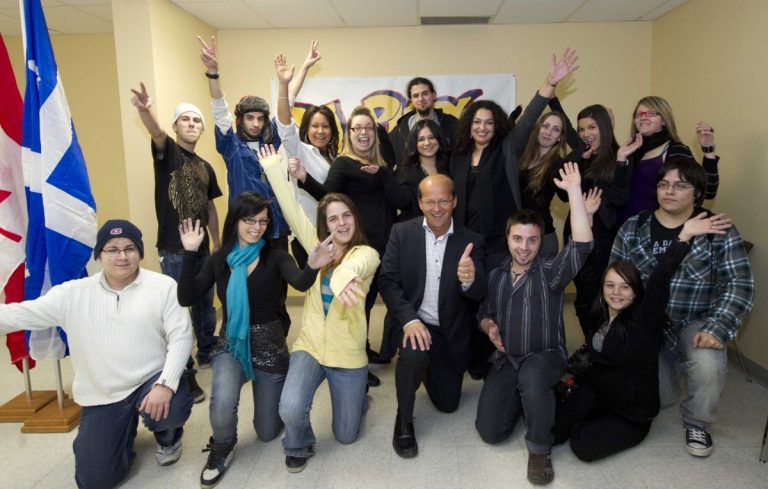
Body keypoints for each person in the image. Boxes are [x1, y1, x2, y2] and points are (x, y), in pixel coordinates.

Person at [0, 220, 193, 489]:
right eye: (112, 249)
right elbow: (22, 313)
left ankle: (168, 436)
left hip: (150, 381)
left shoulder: (163, 286)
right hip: (103, 393)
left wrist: (166, 384)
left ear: (140, 252)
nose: (122, 256)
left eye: (130, 248)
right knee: (94, 480)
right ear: (99, 255)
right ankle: (119, 436)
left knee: (172, 404)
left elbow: (181, 337)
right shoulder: (72, 294)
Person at [177, 193, 333, 487]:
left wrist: (313, 265)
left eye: (262, 221)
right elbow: (186, 296)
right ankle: (222, 446)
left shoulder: (276, 256)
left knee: (267, 432)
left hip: (270, 346)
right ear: (235, 221)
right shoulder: (220, 259)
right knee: (222, 402)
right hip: (232, 344)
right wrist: (189, 253)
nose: (256, 227)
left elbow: (300, 282)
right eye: (249, 220)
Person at [553, 212, 731, 461]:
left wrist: (684, 236)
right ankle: (581, 410)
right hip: (597, 391)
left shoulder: (645, 321)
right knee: (552, 430)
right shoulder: (599, 312)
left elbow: (660, 278)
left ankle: (592, 422)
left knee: (582, 446)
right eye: (610, 285)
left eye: (625, 287)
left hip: (630, 413)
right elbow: (588, 265)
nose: (616, 293)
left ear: (636, 293)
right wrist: (587, 218)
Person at [610, 156, 753, 458]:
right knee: (659, 400)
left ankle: (698, 423)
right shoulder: (634, 227)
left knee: (707, 361)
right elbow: (616, 278)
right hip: (650, 322)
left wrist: (718, 328)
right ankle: (669, 372)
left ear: (697, 193)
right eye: (664, 184)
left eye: (680, 185)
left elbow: (739, 285)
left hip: (696, 320)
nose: (669, 191)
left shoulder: (719, 230)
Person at [259, 145, 380, 473]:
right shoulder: (315, 244)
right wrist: (274, 169)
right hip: (310, 347)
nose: (341, 223)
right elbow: (290, 206)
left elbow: (355, 268)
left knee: (346, 435)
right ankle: (298, 444)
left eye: (346, 216)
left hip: (348, 357)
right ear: (325, 224)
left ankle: (358, 399)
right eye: (333, 218)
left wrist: (339, 276)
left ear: (354, 218)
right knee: (290, 407)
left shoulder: (366, 254)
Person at [475, 162, 593, 485]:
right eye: (518, 239)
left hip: (545, 356)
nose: (524, 247)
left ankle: (540, 451)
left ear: (541, 242)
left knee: (532, 377)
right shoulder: (497, 276)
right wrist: (489, 326)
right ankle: (532, 402)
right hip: (507, 359)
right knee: (490, 432)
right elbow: (483, 313)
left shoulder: (551, 272)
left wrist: (574, 192)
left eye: (532, 240)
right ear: (508, 238)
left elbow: (582, 246)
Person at [290, 104, 412, 386]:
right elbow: (327, 196)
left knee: (393, 298)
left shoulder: (383, 164)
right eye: (357, 128)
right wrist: (305, 179)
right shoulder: (344, 163)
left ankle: (386, 350)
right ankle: (357, 359)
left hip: (388, 243)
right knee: (362, 305)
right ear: (349, 133)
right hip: (364, 247)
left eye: (368, 128)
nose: (363, 133)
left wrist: (384, 174)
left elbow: (398, 200)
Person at [378, 174, 486, 458]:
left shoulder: (472, 241)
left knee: (448, 405)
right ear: (420, 203)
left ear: (454, 201)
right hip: (415, 322)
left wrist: (469, 280)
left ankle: (428, 365)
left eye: (443, 201)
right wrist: (410, 320)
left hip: (450, 332)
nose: (437, 208)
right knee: (413, 354)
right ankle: (403, 419)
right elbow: (387, 282)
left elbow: (479, 293)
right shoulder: (402, 233)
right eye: (430, 202)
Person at [197, 35, 294, 335]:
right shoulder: (231, 145)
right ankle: (236, 340)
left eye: (260, 119)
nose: (255, 123)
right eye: (249, 118)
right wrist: (213, 74)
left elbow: (284, 115)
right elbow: (219, 111)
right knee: (237, 288)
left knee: (276, 293)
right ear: (240, 121)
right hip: (242, 231)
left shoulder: (274, 142)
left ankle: (276, 341)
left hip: (275, 229)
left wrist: (284, 84)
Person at [130, 83, 222, 400]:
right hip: (175, 249)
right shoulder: (168, 154)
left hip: (204, 251)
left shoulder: (206, 166)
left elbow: (210, 206)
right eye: (186, 120)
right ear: (176, 126)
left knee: (205, 308)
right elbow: (155, 132)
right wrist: (145, 110)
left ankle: (208, 350)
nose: (192, 125)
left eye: (197, 121)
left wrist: (218, 241)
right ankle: (183, 372)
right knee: (179, 313)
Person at [449, 48, 579, 271]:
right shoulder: (459, 156)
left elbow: (529, 117)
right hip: (466, 239)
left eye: (489, 123)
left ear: (496, 126)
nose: (482, 128)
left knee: (499, 297)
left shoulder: (506, 149)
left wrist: (550, 83)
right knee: (470, 293)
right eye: (477, 122)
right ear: (469, 125)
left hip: (500, 242)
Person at [556, 104, 636, 339]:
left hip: (602, 237)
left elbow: (620, 197)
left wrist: (593, 207)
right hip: (576, 232)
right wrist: (576, 158)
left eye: (592, 127)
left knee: (599, 298)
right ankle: (592, 348)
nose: (586, 133)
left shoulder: (619, 155)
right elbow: (562, 194)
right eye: (581, 129)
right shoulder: (581, 156)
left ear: (604, 126)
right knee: (581, 296)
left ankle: (604, 348)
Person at [273, 42, 338, 267]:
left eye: (325, 126)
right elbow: (284, 122)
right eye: (315, 126)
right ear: (306, 130)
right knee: (315, 296)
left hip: (336, 236)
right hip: (307, 237)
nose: (320, 131)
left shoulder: (338, 160)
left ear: (332, 131)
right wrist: (285, 83)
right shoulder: (299, 150)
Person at [617, 95, 720, 224]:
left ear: (664, 120)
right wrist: (620, 160)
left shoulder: (675, 150)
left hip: (656, 231)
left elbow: (707, 191)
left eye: (651, 113)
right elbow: (617, 195)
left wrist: (708, 151)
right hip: (625, 229)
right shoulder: (628, 150)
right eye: (639, 114)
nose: (643, 117)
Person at [517, 110, 570, 256]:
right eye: (545, 126)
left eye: (556, 130)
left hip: (542, 239)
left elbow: (565, 196)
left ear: (559, 138)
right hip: (518, 236)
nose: (548, 132)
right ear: (538, 128)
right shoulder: (521, 156)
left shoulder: (557, 165)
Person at [388, 76, 459, 164]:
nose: (421, 99)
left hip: (444, 176)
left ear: (433, 95)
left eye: (425, 93)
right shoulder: (400, 130)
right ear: (411, 101)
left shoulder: (452, 123)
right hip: (411, 177)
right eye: (416, 96)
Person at [394, 119, 451, 221]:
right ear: (414, 143)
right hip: (417, 231)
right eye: (421, 139)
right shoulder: (405, 172)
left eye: (431, 137)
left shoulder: (451, 166)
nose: (427, 143)